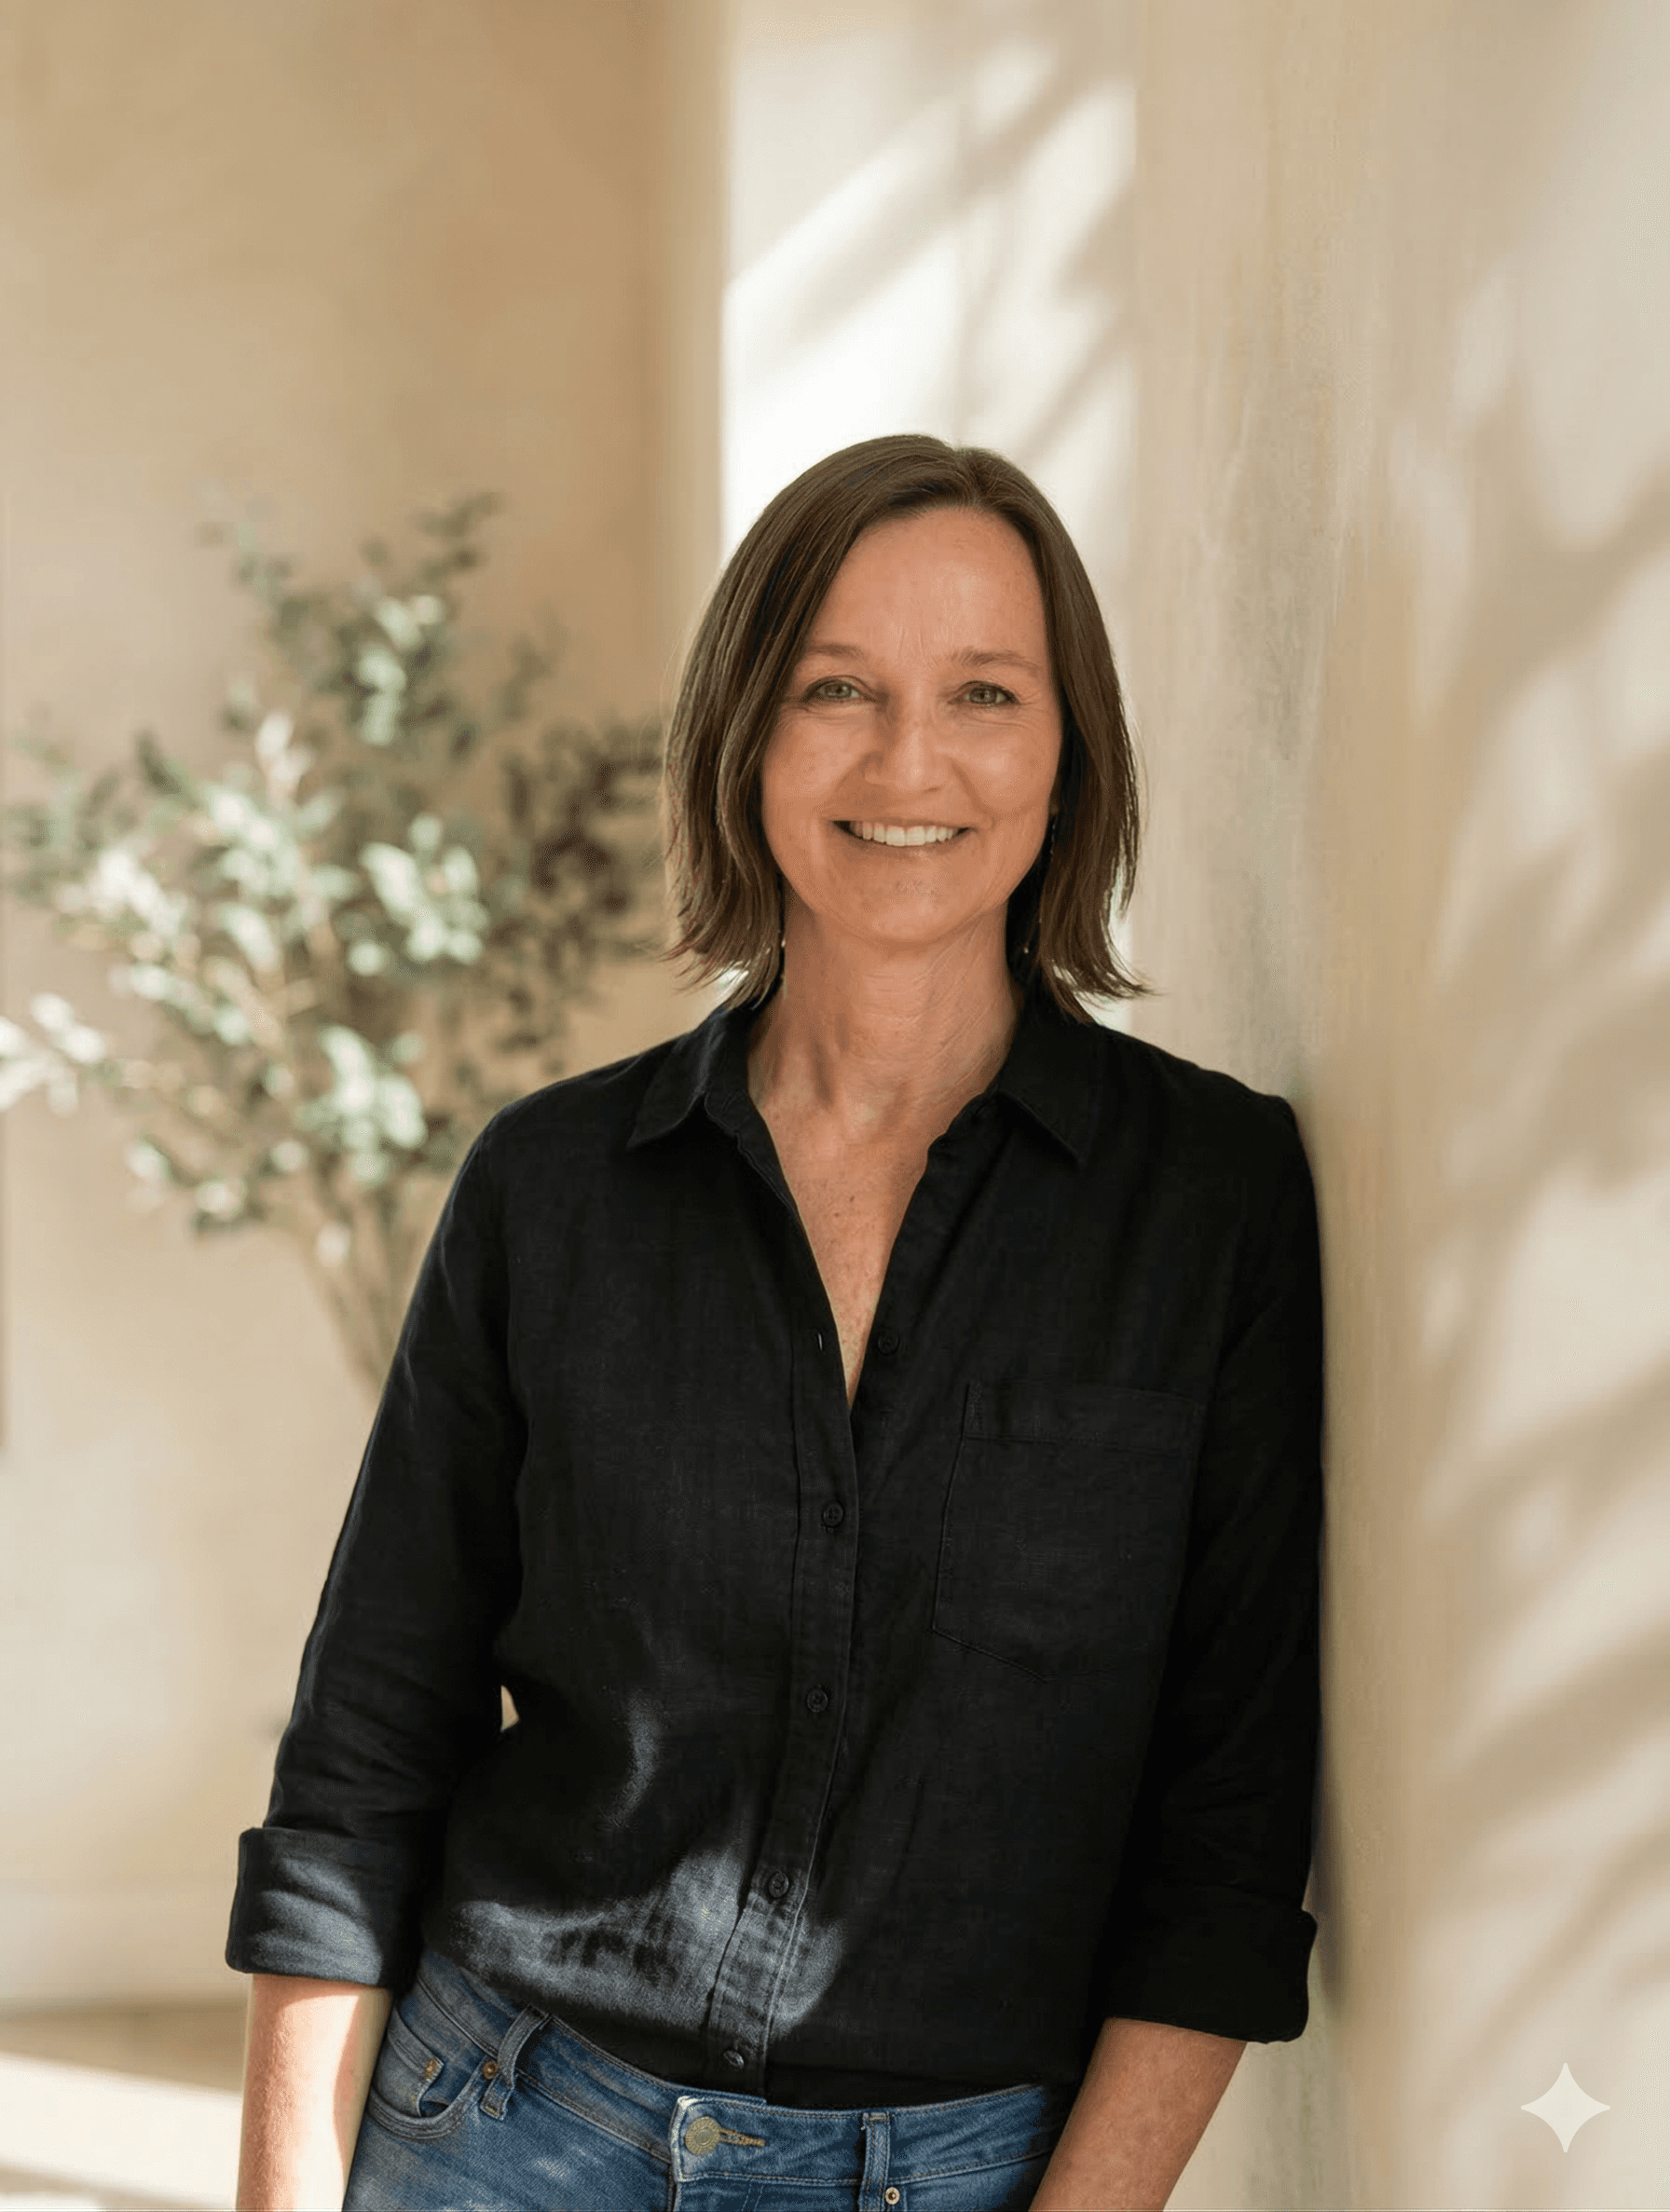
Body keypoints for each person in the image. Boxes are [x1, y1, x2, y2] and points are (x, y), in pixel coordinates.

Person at [229, 434, 1322, 2212]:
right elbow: (366, 1743)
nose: (910, 759)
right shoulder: (551, 1185)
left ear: (1070, 750)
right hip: (505, 2122)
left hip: (962, 2164)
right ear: (748, 734)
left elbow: (1231, 1812)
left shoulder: (1211, 1201)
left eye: (984, 689)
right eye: (838, 687)